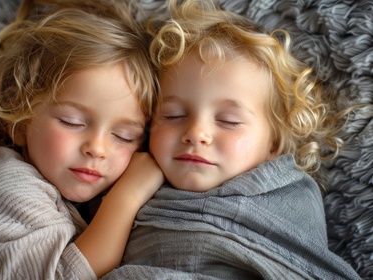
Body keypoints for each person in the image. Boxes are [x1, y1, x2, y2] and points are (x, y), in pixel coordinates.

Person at [0, 0, 163, 279]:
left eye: (124, 136)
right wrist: (127, 197)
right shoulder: (6, 184)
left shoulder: (71, 191)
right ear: (21, 120)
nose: (97, 149)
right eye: (71, 122)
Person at [102, 0, 362, 279]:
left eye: (229, 121)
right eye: (174, 115)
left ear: (273, 144)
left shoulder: (290, 200)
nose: (195, 133)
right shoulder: (121, 173)